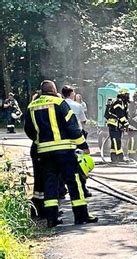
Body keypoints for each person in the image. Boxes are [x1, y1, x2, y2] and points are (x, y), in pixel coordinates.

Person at [24, 80, 98, 228]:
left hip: (44, 152)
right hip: (64, 151)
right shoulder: (59, 103)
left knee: (50, 183)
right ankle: (81, 215)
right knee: (74, 182)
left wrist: (40, 141)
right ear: (53, 89)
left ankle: (52, 218)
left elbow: (29, 130)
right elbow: (72, 127)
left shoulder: (32, 106)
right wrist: (83, 145)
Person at [62, 85, 91, 197]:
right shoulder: (77, 106)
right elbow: (83, 121)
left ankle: (62, 189)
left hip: (62, 139)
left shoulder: (59, 105)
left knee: (63, 164)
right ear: (72, 93)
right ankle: (83, 189)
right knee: (80, 163)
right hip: (77, 137)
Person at [105, 88, 129, 163]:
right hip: (113, 124)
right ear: (123, 94)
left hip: (117, 124)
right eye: (126, 94)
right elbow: (120, 114)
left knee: (115, 141)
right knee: (116, 140)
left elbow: (123, 115)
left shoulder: (122, 103)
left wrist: (124, 124)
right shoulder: (118, 102)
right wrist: (126, 124)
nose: (128, 96)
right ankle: (120, 157)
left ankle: (114, 157)